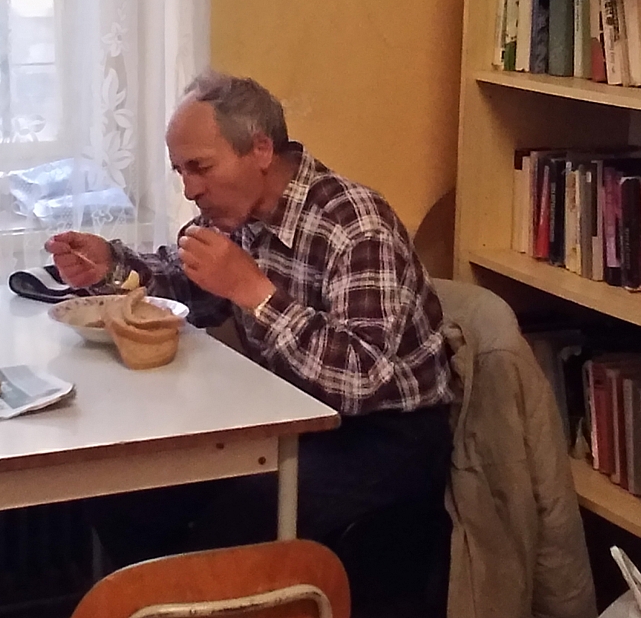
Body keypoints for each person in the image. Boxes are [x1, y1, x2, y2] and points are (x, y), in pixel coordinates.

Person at [45, 71, 454, 577]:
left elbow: (362, 379)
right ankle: (157, 601)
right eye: (180, 171)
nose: (190, 189)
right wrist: (111, 265)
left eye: (201, 167)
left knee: (232, 524)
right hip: (284, 414)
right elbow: (188, 283)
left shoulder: (355, 225)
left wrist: (253, 291)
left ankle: (196, 597)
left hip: (384, 435)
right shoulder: (234, 213)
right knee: (127, 493)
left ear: (260, 149)